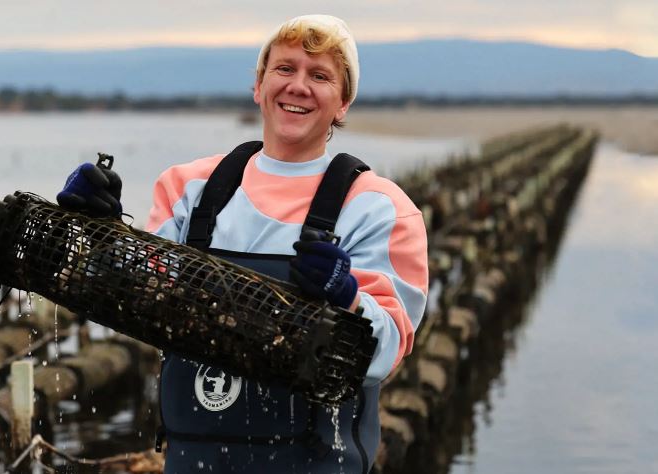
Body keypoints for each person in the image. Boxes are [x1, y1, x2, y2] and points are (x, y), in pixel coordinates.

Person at [58, 14, 428, 474]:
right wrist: (101, 232)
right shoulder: (190, 186)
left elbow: (386, 352)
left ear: (343, 103)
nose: (298, 86)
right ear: (259, 85)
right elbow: (138, 298)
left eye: (320, 76)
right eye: (285, 69)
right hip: (191, 459)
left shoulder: (379, 207)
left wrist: (349, 298)